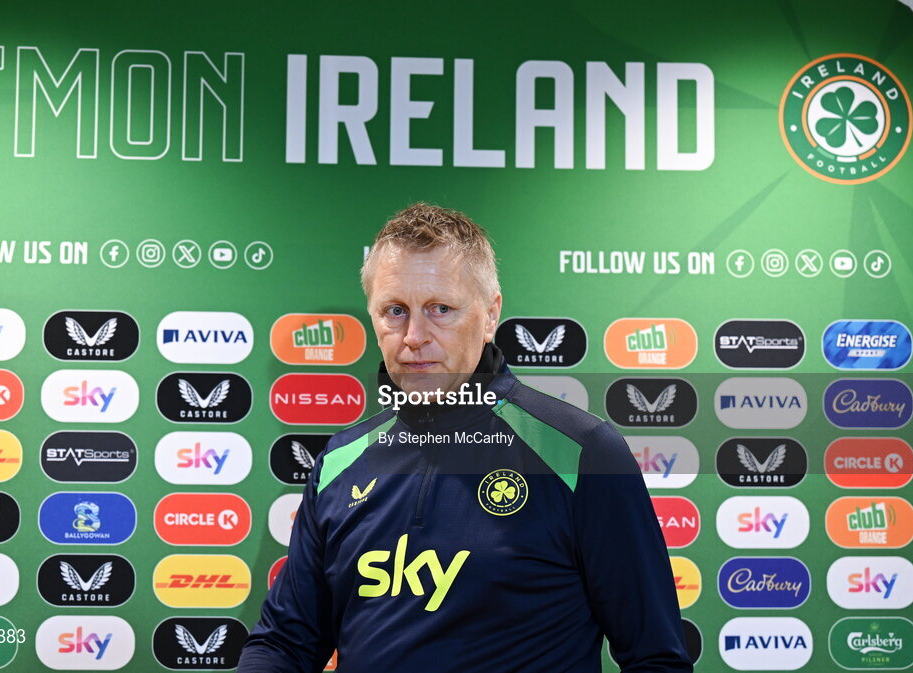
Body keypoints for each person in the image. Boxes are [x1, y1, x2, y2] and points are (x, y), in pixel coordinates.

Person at [238, 204, 692, 673]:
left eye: (441, 309)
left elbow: (655, 658)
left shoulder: (582, 452)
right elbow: (284, 644)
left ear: (491, 312)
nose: (414, 336)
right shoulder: (340, 460)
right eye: (395, 310)